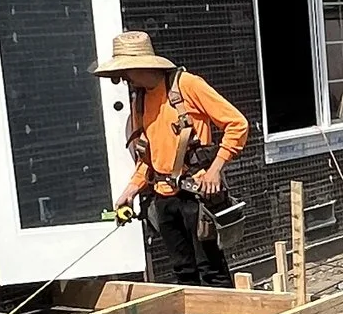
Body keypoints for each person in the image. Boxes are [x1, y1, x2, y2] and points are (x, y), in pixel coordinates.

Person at [98, 29, 250, 291]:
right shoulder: (141, 98)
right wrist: (132, 188)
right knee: (183, 272)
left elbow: (237, 124)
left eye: (124, 74)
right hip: (164, 198)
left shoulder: (188, 85)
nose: (123, 80)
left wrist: (215, 169)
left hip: (197, 194)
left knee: (210, 270)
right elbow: (148, 153)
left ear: (139, 67)